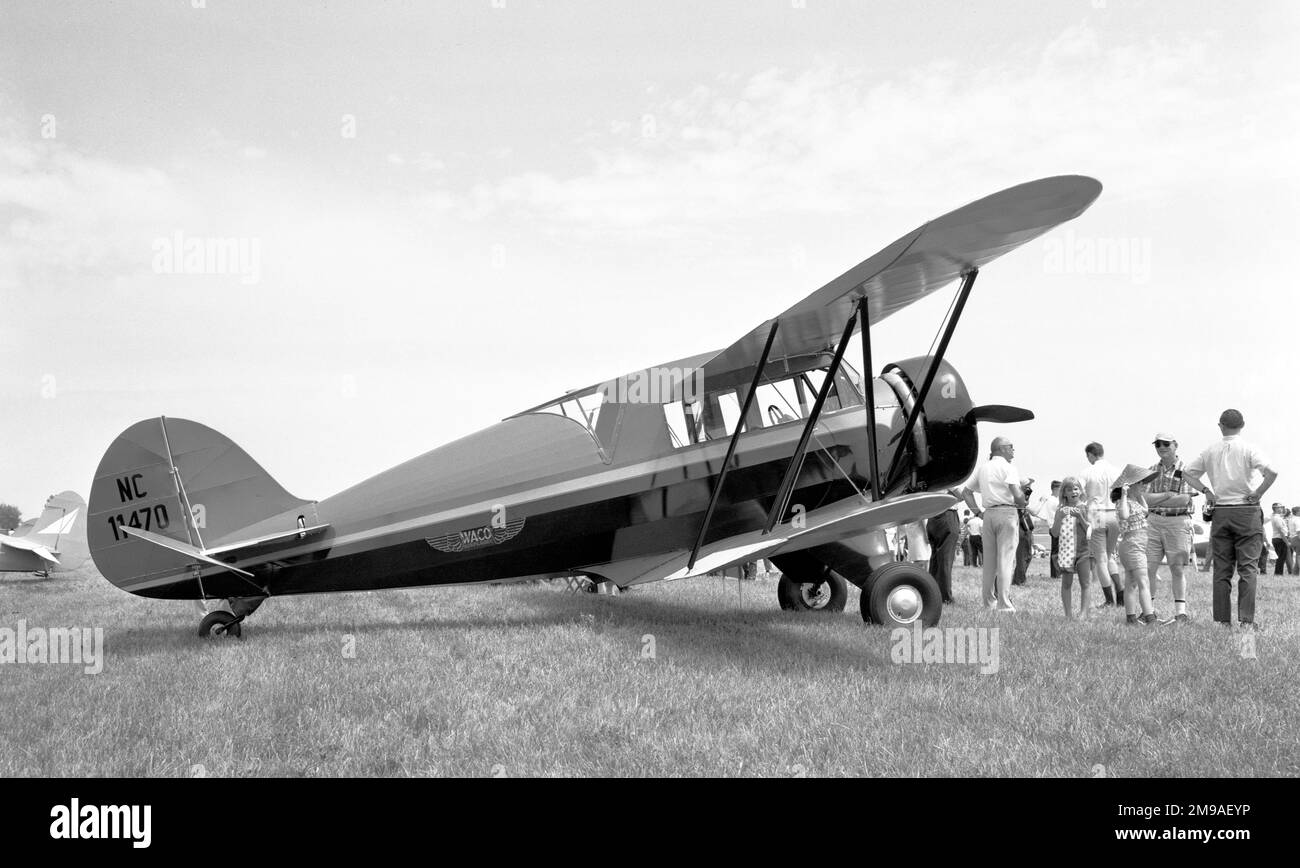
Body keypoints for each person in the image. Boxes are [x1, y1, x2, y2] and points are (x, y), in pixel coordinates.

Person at [1183, 409, 1278, 629]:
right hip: (1247, 510)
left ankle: (1222, 621)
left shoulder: (1210, 451)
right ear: (1242, 425)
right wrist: (1259, 492)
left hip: (1221, 511)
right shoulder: (1249, 449)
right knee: (1248, 569)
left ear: (1220, 426)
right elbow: (1272, 472)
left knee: (1222, 570)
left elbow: (1187, 473)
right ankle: (1245, 621)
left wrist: (1207, 490)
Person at [1144, 433, 1211, 624]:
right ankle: (1149, 612)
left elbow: (1184, 499)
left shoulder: (1187, 470)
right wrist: (1168, 495)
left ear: (1175, 445)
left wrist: (1157, 499)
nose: (1161, 447)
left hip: (1178, 521)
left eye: (1166, 443)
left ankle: (1181, 613)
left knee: (1177, 568)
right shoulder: (1150, 471)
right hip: (1153, 522)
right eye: (1157, 444)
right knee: (1149, 567)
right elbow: (1144, 499)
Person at [960, 437, 1027, 612]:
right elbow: (1018, 496)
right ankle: (1004, 603)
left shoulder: (983, 468)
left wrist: (978, 513)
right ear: (1002, 449)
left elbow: (966, 492)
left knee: (989, 562)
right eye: (1011, 447)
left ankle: (989, 603)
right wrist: (1024, 496)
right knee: (1005, 560)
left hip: (988, 514)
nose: (1013, 451)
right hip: (1006, 513)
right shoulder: (1009, 467)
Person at [1113, 465, 1159, 625]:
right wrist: (1125, 494)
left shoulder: (1136, 502)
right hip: (1133, 545)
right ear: (1130, 485)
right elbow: (1124, 515)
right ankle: (1150, 618)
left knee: (1131, 583)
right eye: (1140, 483)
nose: (1144, 485)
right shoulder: (1123, 502)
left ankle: (1131, 618)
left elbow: (1146, 510)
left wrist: (1138, 494)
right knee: (1143, 582)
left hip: (1135, 546)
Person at [1080, 442, 1123, 607]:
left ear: (1091, 454)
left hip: (1096, 514)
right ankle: (1120, 590)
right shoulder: (1117, 470)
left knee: (1100, 560)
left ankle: (1109, 599)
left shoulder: (1087, 471)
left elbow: (1079, 491)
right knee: (1110, 555)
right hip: (1114, 514)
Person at [1051, 476, 1093, 619]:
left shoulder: (1085, 508)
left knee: (1085, 582)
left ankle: (1083, 613)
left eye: (1076, 488)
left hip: (1084, 551)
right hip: (1066, 551)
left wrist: (1080, 517)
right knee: (1066, 583)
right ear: (1064, 493)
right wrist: (1059, 518)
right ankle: (1068, 614)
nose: (1073, 491)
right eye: (1069, 489)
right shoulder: (1060, 510)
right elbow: (1055, 533)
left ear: (1080, 491)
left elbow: (1090, 530)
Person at [926, 495, 961, 604]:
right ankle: (945, 597)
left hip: (932, 515)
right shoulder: (950, 478)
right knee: (946, 559)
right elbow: (962, 494)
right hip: (947, 514)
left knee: (936, 560)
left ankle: (932, 593)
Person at [1034, 481, 1062, 579]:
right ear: (1056, 489)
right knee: (1056, 551)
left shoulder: (1053, 499)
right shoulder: (1053, 500)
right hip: (1055, 526)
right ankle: (1056, 574)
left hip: (1055, 526)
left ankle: (1057, 573)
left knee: (1057, 550)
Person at [1013, 479, 1036, 586]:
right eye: (1027, 485)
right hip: (1020, 527)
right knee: (1022, 554)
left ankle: (1019, 578)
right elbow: (1023, 503)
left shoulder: (1022, 495)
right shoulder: (1017, 496)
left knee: (1027, 555)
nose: (1029, 488)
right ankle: (1019, 580)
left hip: (1025, 526)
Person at [1270, 505, 1291, 575]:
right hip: (1280, 538)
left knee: (1280, 557)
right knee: (1281, 557)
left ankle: (1278, 572)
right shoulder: (1277, 518)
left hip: (1278, 538)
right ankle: (1278, 573)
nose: (1282, 509)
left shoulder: (1276, 517)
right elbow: (1280, 531)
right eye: (1280, 507)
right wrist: (1286, 541)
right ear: (1276, 509)